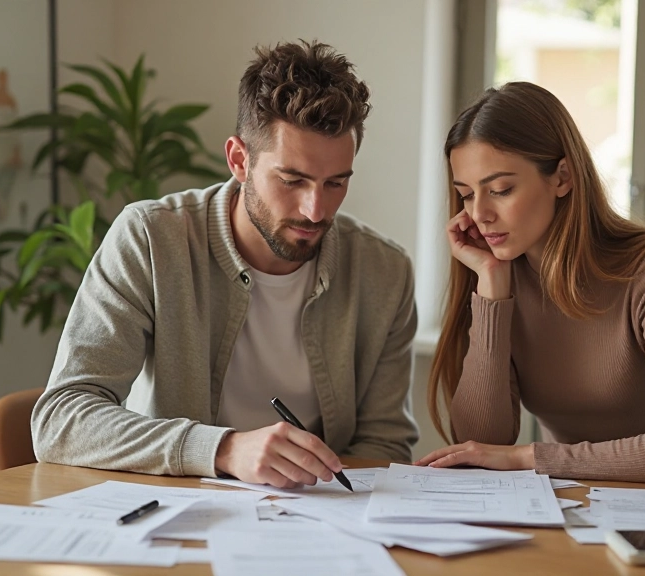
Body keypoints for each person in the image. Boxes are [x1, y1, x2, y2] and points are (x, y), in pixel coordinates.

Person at [32, 40, 419, 488]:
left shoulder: (384, 271)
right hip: (174, 517)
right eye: (292, 180)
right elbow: (61, 419)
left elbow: (384, 446)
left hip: (319, 521)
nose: (316, 210)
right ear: (239, 160)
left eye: (335, 183)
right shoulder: (151, 239)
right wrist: (224, 449)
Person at [415, 82, 645, 486]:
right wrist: (492, 288)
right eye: (465, 195)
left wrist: (527, 457)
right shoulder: (500, 276)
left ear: (562, 177)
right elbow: (481, 445)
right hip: (573, 502)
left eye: (500, 190)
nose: (480, 214)